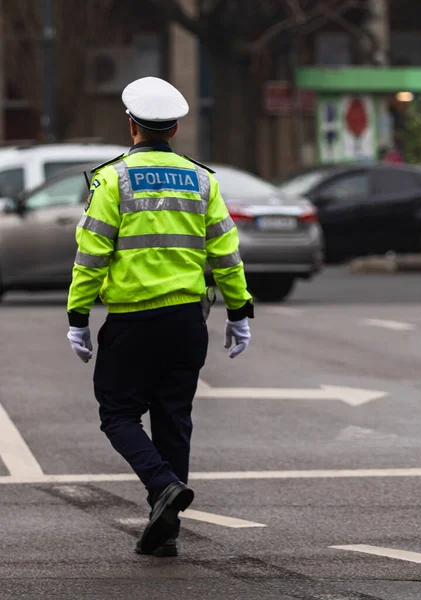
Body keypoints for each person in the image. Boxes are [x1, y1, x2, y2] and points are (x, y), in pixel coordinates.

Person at [66, 77, 254, 557]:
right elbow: (226, 254)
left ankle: (161, 483)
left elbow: (91, 256)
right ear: (174, 129)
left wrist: (78, 316)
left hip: (133, 323)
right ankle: (165, 532)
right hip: (188, 322)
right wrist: (239, 310)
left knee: (118, 413)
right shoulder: (203, 180)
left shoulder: (112, 180)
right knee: (174, 419)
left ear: (131, 125)